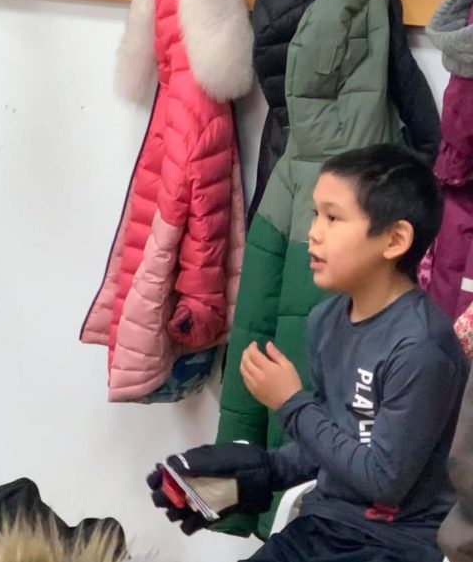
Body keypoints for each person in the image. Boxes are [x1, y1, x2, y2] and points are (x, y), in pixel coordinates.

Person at [147, 144, 468, 562]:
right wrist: (251, 478)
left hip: (395, 546)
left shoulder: (422, 348)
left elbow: (383, 479)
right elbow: (333, 443)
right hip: (321, 526)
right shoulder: (326, 321)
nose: (313, 231)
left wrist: (291, 404)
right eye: (315, 213)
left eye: (333, 217)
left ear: (395, 239)